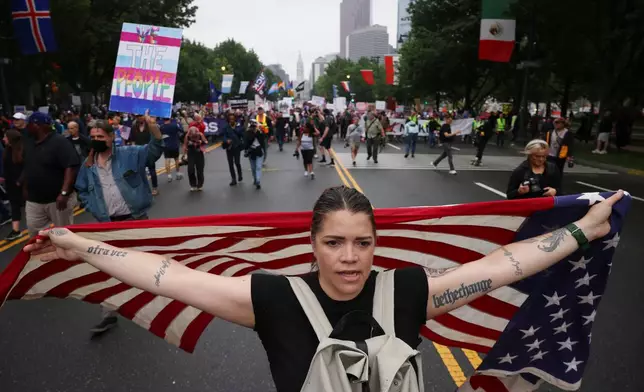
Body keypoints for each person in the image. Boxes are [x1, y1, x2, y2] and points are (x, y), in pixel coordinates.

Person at [24, 186, 624, 392]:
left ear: (375, 245)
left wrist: (582, 228)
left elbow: (505, 265)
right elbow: (165, 276)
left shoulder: (410, 290)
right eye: (335, 242)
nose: (350, 257)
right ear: (312, 245)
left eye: (362, 242)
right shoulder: (273, 300)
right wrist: (79, 246)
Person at [75, 117, 163, 333]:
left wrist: (153, 127)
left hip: (135, 221)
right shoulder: (87, 165)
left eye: (100, 137)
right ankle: (109, 314)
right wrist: (93, 208)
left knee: (144, 266)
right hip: (107, 226)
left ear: (111, 137)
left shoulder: (129, 154)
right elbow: (82, 189)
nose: (96, 140)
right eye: (93, 137)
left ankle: (155, 306)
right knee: (108, 270)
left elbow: (154, 151)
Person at [21, 112, 80, 237]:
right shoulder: (29, 142)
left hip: (57, 200)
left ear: (37, 125)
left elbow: (70, 168)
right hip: (34, 200)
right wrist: (25, 187)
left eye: (29, 124)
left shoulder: (60, 142)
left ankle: (65, 256)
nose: (27, 127)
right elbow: (28, 166)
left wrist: (64, 193)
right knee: (36, 234)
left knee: (63, 234)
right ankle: (41, 256)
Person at [2, 129, 25, 240]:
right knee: (14, 206)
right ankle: (16, 230)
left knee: (29, 206)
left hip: (23, 184)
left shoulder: (23, 150)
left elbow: (28, 167)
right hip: (11, 183)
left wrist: (20, 180)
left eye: (5, 137)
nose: (3, 139)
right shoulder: (7, 150)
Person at [130, 115, 160, 196]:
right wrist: (133, 149)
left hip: (149, 150)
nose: (139, 118)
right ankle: (143, 188)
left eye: (140, 116)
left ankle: (155, 187)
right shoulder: (134, 127)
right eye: (137, 116)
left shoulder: (150, 126)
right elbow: (132, 139)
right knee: (140, 171)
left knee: (152, 170)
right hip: (138, 151)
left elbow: (157, 136)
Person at [222, 112, 244, 186]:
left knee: (237, 162)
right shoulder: (225, 127)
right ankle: (233, 179)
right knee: (230, 164)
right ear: (228, 120)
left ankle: (240, 175)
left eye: (233, 119)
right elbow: (223, 136)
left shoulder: (238, 126)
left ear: (235, 119)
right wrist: (226, 140)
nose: (231, 120)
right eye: (230, 119)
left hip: (237, 146)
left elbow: (242, 133)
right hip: (229, 147)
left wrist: (235, 128)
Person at [183, 126, 208, 192]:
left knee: (200, 170)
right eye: (192, 136)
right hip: (191, 153)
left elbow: (206, 142)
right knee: (190, 169)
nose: (193, 137)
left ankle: (200, 185)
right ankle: (193, 185)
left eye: (195, 135)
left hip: (199, 153)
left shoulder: (200, 134)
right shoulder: (187, 136)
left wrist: (201, 142)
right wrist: (184, 154)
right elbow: (185, 145)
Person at [160, 117, 184, 183]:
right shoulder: (174, 125)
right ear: (170, 119)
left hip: (166, 145)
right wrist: (179, 123)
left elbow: (159, 136)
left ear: (163, 120)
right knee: (176, 159)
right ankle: (178, 173)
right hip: (174, 145)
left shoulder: (161, 127)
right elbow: (182, 131)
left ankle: (169, 176)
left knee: (167, 160)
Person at [244, 120, 265, 190]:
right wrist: (253, 133)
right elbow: (247, 142)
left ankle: (258, 181)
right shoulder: (248, 133)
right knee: (253, 168)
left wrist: (259, 132)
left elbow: (262, 141)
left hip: (259, 151)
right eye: (252, 127)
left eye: (254, 126)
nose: (253, 128)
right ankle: (255, 179)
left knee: (258, 167)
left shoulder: (260, 132)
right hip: (251, 151)